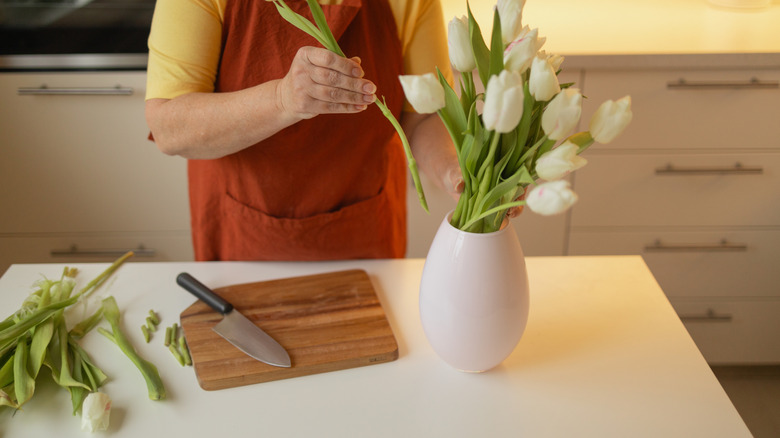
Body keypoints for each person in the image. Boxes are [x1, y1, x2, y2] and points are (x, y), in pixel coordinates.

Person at [144, 0, 463, 261]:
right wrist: (281, 99)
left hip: (366, 233)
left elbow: (422, 117)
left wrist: (454, 171)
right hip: (240, 234)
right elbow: (169, 129)